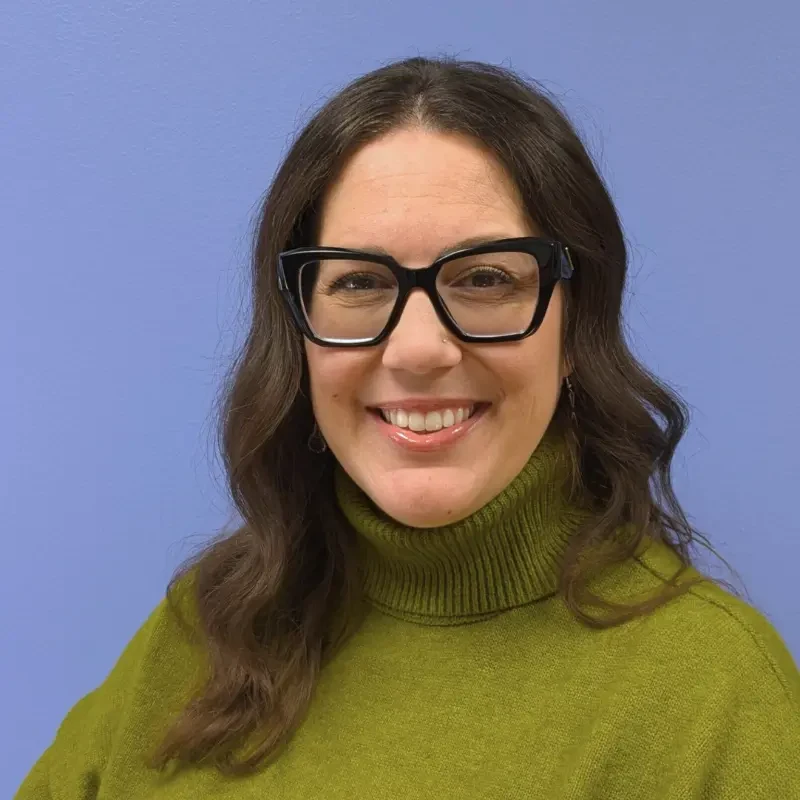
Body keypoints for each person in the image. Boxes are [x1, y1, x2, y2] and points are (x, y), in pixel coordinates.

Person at [17, 57, 799, 799]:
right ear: (299, 331)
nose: (420, 348)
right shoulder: (208, 628)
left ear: (577, 326)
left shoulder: (717, 697)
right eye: (359, 282)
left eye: (486, 278)